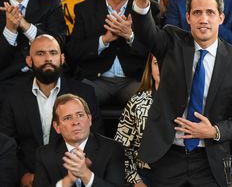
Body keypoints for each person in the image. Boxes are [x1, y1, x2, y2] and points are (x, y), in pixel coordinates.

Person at [131, 0, 232, 187]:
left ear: (221, 17)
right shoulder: (171, 41)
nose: (203, 19)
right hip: (168, 155)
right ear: (188, 17)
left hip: (210, 159)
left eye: (210, 12)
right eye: (197, 13)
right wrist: (142, 2)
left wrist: (215, 131)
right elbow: (146, 34)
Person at [0, 34, 103, 187]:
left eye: (53, 53)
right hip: (30, 179)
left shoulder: (85, 93)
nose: (48, 58)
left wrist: (78, 174)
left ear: (62, 58)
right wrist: (22, 175)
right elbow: (5, 143)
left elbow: (97, 140)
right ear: (29, 61)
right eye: (40, 53)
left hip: (73, 177)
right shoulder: (13, 96)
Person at [66, 0, 149, 107]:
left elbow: (155, 52)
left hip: (133, 80)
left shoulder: (146, 8)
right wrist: (104, 40)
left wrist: (129, 36)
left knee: (146, 104)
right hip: (96, 80)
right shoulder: (85, 9)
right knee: (75, 104)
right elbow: (73, 51)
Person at [0, 0, 66, 103]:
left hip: (48, 75)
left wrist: (24, 24)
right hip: (8, 80)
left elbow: (60, 43)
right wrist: (10, 29)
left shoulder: (51, 4)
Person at [33, 94, 125, 187]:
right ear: (57, 127)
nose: (75, 122)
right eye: (68, 118)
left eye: (80, 115)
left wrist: (85, 174)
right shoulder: (44, 154)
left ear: (89, 119)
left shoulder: (113, 149)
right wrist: (67, 181)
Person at [115, 54, 160, 187]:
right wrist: (135, 180)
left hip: (179, 175)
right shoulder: (137, 102)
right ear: (150, 68)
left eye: (167, 62)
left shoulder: (188, 101)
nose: (162, 68)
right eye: (157, 63)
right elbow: (121, 146)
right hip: (146, 174)